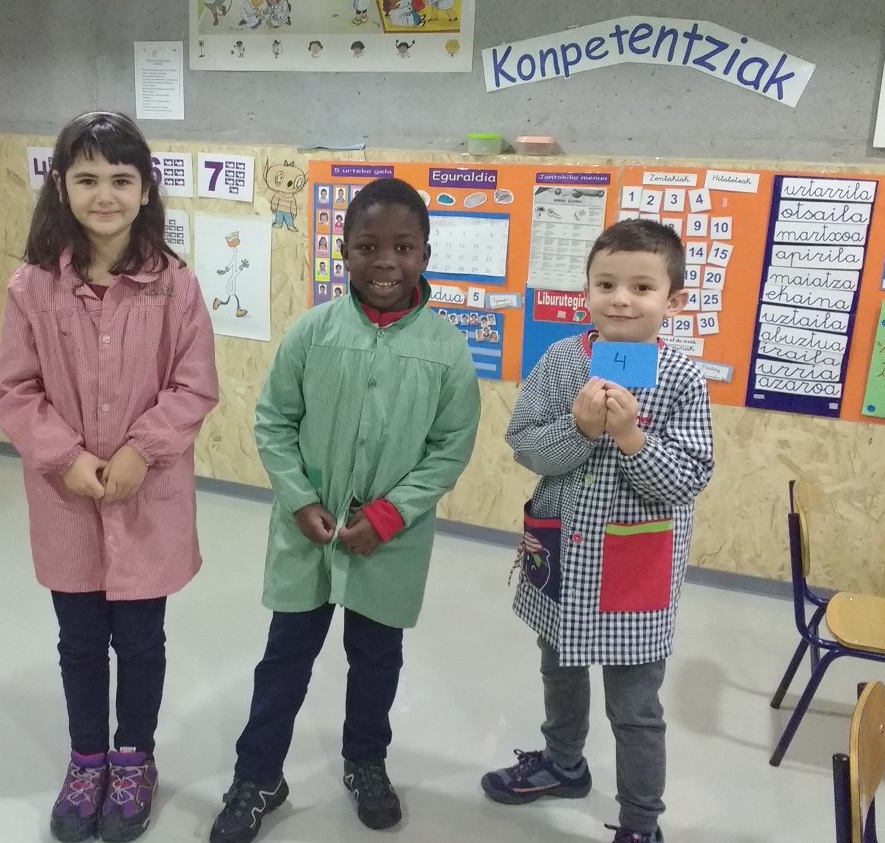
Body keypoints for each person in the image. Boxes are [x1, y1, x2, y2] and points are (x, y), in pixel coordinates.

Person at [209, 178, 481, 843]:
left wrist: (389, 515)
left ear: (424, 254)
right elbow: (274, 421)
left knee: (377, 658)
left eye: (403, 247)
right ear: (344, 252)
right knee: (285, 659)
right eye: (367, 246)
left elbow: (450, 448)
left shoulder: (446, 348)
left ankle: (366, 762)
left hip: (390, 541)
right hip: (309, 534)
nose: (385, 261)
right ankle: (257, 776)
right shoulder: (313, 332)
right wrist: (300, 500)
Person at [0, 111, 219, 843]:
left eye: (122, 179)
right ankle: (87, 758)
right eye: (87, 178)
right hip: (67, 504)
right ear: (60, 186)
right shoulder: (32, 287)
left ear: (146, 188)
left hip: (148, 500)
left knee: (143, 641)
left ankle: (134, 759)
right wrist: (65, 455)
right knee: (81, 641)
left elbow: (194, 386)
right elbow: (14, 390)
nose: (105, 195)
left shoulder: (176, 286)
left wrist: (140, 451)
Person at [482, 219, 714, 843]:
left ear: (674, 301)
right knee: (558, 666)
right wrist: (580, 431)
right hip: (564, 557)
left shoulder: (681, 377)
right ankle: (564, 764)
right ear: (586, 291)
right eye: (606, 284)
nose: (621, 299)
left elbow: (688, 479)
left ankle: (641, 822)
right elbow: (526, 445)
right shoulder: (561, 361)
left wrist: (631, 437)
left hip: (635, 573)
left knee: (635, 706)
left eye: (642, 287)